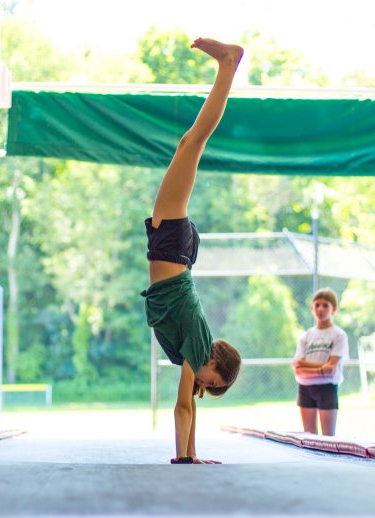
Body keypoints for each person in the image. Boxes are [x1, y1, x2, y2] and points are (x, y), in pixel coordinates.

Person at [140, 38, 243, 464]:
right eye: (211, 381)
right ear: (214, 364)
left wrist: (193, 454)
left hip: (175, 253)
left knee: (191, 144)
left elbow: (190, 404)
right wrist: (184, 460)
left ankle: (227, 66)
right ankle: (228, 66)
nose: (203, 384)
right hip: (173, 251)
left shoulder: (194, 351)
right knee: (191, 143)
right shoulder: (198, 350)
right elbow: (183, 406)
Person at [291, 289, 349, 436]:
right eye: (317, 305)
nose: (320, 309)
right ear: (312, 308)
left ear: (333, 309)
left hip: (327, 388)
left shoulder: (339, 335)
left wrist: (307, 365)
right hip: (305, 387)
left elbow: (332, 366)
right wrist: (322, 368)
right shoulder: (306, 336)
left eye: (325, 305)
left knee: (328, 438)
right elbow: (297, 366)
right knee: (309, 437)